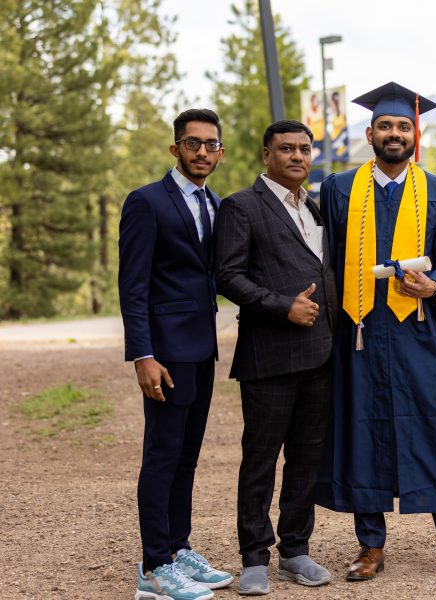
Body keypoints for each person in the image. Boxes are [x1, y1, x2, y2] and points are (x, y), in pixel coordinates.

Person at [316, 81, 436, 581]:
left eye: (403, 126)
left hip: (418, 334)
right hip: (359, 332)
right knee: (362, 429)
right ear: (369, 132)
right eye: (385, 126)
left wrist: (433, 285)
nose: (394, 134)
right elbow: (324, 259)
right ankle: (370, 545)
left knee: (434, 429)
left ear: (416, 132)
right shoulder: (339, 189)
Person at [215, 120, 337, 595]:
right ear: (267, 154)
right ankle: (253, 558)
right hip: (269, 356)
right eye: (286, 149)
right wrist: (282, 305)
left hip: (322, 355)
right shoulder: (241, 207)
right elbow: (227, 276)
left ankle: (295, 552)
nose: (297, 157)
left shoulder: (317, 209)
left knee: (307, 459)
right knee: (260, 458)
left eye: (305, 149)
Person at [119, 108, 233, 600]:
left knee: (187, 457)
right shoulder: (146, 203)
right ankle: (152, 567)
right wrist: (143, 354)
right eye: (193, 144)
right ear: (175, 149)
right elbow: (133, 286)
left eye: (210, 145)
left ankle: (178, 547)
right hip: (164, 353)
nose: (202, 152)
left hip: (201, 350)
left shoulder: (218, 205)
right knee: (162, 456)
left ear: (220, 152)